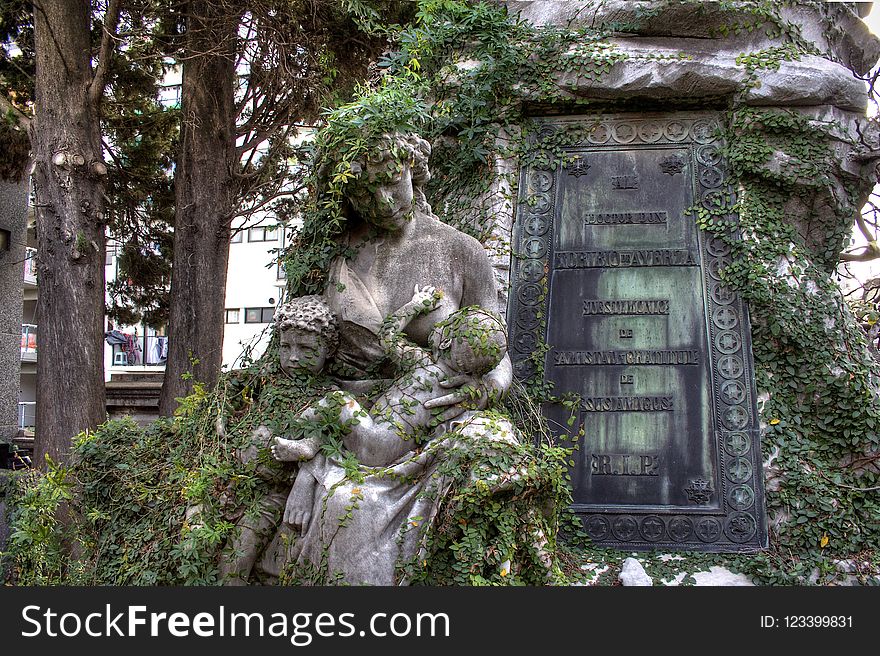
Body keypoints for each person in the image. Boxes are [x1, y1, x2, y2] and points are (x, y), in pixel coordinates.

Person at [271, 285, 508, 535]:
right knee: (348, 415)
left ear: (445, 340)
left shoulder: (423, 362)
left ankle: (300, 431)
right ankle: (312, 443)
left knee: (337, 402)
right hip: (390, 449)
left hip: (375, 443)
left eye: (442, 327)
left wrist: (416, 305)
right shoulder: (456, 393)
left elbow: (388, 334)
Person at [217, 295, 338, 585]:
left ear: (328, 349)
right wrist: (222, 414)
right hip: (234, 478)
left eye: (306, 348)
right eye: (286, 347)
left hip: (273, 492)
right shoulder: (268, 377)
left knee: (237, 557)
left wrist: (300, 449)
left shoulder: (330, 397)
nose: (293, 357)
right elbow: (230, 383)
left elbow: (326, 439)